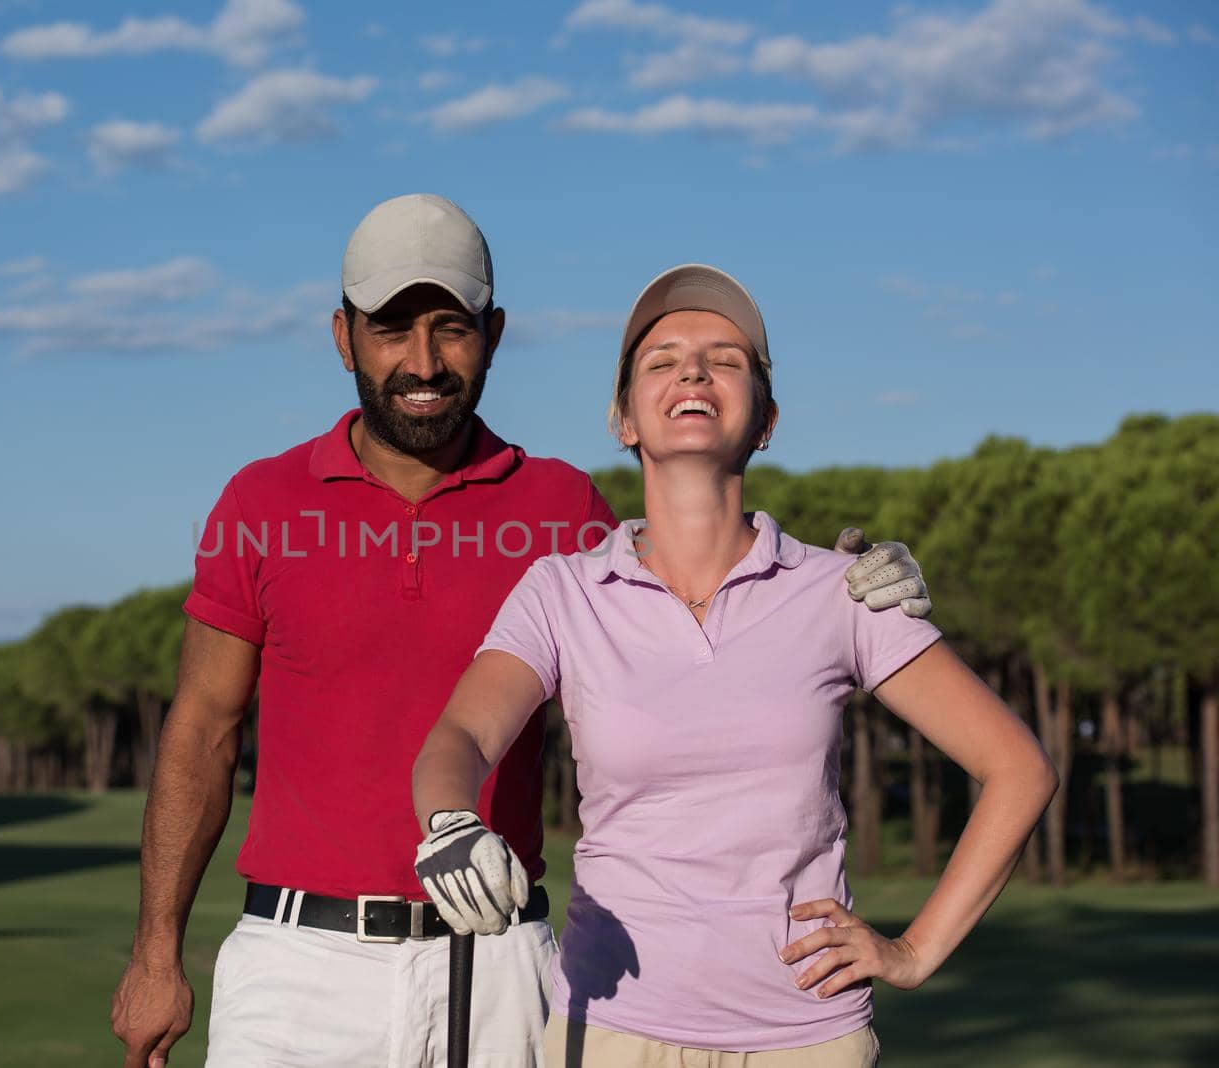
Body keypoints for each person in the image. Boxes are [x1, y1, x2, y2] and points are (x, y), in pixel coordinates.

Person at [111, 197, 933, 1068]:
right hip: (297, 963)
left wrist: (848, 581)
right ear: (344, 337)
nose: (422, 360)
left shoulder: (562, 508)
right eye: (390, 329)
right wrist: (156, 953)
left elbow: (705, 596)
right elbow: (201, 729)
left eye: (451, 328)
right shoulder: (261, 503)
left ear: (494, 334)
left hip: (504, 968)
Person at [411, 264, 1059, 1067]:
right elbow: (462, 736)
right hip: (612, 1028)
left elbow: (1018, 769)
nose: (692, 370)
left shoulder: (841, 590)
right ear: (623, 419)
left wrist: (915, 951)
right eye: (662, 359)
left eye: (725, 357)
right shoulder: (562, 591)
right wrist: (448, 821)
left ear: (767, 420)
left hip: (808, 1037)